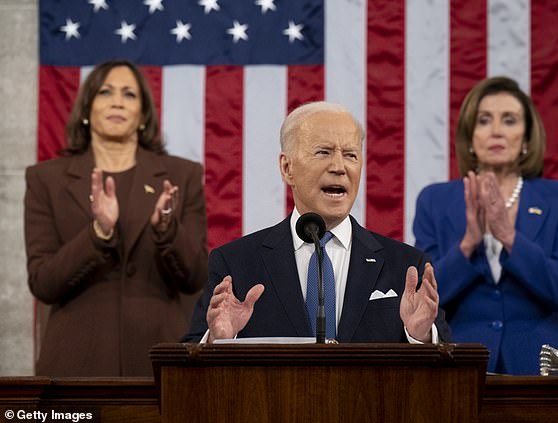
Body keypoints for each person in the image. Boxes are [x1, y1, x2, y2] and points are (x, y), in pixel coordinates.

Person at [183, 101, 450, 344]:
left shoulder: (406, 266)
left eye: (351, 155)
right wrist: (219, 340)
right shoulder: (236, 264)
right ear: (287, 168)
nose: (339, 166)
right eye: (323, 152)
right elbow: (190, 358)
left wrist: (421, 336)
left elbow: (448, 369)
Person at [24, 60, 208, 376]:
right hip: (75, 364)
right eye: (105, 92)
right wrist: (98, 233)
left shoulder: (181, 176)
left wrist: (167, 229)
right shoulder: (46, 180)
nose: (118, 101)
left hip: (161, 364)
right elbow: (43, 283)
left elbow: (195, 277)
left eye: (129, 94)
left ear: (143, 114)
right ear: (86, 108)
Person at [413, 76, 558, 375]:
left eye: (509, 120)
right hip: (459, 366)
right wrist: (468, 243)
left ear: (527, 138)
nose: (496, 131)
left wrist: (509, 237)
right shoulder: (435, 201)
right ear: (470, 137)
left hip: (540, 368)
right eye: (484, 120)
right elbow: (421, 298)